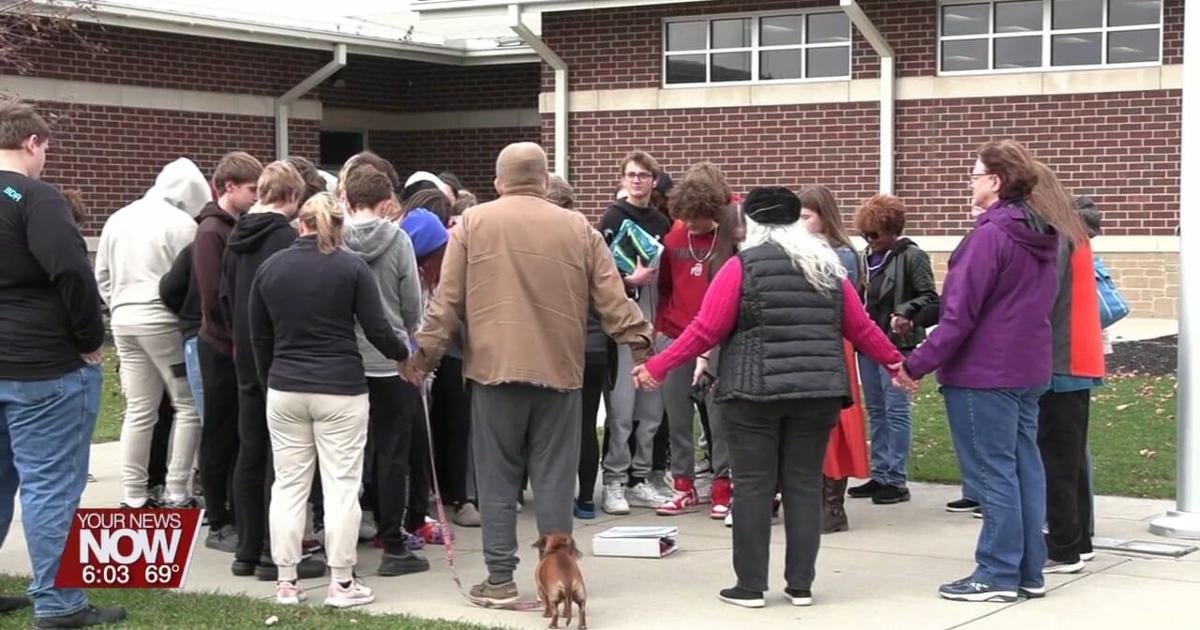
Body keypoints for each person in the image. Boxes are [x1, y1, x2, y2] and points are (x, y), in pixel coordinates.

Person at [403, 142, 654, 606]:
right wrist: (643, 350)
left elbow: (447, 302)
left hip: (494, 373)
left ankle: (499, 579)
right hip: (560, 373)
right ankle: (558, 573)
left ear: (499, 182)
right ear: (542, 182)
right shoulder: (579, 228)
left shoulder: (473, 224)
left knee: (497, 480)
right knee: (555, 478)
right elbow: (614, 301)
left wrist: (423, 359)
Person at [633, 186, 909, 608]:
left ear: (755, 224)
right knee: (802, 486)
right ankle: (800, 586)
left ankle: (750, 586)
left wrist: (657, 366)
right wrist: (896, 364)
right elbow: (862, 327)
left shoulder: (741, 267)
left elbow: (707, 330)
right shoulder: (827, 267)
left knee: (753, 488)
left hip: (753, 394)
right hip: (817, 393)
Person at [900, 139, 1059, 602]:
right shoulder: (1040, 232)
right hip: (1028, 369)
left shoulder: (990, 236)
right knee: (1023, 468)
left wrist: (916, 364)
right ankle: (1028, 570)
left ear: (995, 181)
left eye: (974, 174)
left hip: (984, 373)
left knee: (993, 474)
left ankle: (997, 572)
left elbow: (959, 313)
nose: (968, 182)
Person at [0, 98, 125, 627]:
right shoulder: (35, 198)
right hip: (44, 366)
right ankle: (59, 601)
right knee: (52, 485)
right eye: (45, 147)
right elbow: (73, 273)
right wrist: (89, 338)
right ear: (32, 143)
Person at [250, 192, 408, 607]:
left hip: (285, 385)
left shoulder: (271, 268)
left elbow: (259, 337)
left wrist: (271, 379)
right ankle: (342, 582)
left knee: (288, 487)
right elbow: (377, 328)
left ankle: (286, 582)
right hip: (340, 387)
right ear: (339, 228)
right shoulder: (351, 267)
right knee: (341, 487)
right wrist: (406, 355)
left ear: (299, 224)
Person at [220, 161, 325, 580]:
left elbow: (224, 297)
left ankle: (246, 550)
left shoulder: (235, 237)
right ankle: (272, 552)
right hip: (279, 354)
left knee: (250, 452)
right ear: (294, 198)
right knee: (281, 461)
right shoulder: (284, 238)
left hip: (244, 353)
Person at [95, 158, 209, 510]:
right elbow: (191, 281)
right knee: (187, 405)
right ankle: (177, 490)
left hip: (124, 322)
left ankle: (134, 494)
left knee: (139, 409)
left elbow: (102, 275)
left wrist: (118, 305)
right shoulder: (184, 225)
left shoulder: (119, 217)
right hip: (163, 324)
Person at [341, 164, 433, 574]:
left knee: (344, 455)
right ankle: (392, 542)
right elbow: (412, 304)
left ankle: (339, 537)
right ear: (385, 203)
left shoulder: (333, 238)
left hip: (343, 359)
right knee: (392, 454)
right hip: (391, 359)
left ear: (347, 200)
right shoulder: (398, 240)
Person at [1027, 161, 1103, 575]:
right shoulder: (1074, 232)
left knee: (1056, 459)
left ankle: (1063, 547)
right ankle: (1078, 540)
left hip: (1058, 358)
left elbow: (1043, 298)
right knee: (1070, 459)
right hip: (1077, 357)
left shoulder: (1055, 235)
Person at [844, 194, 940, 508]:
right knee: (877, 410)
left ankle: (896, 479)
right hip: (869, 343)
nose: (870, 241)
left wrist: (905, 312)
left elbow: (929, 296)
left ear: (891, 230)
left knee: (896, 411)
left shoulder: (911, 256)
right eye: (865, 235)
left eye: (875, 235)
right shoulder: (864, 258)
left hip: (899, 344)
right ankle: (881, 472)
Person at [598, 150, 673, 515]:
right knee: (622, 407)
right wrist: (631, 280)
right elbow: (599, 274)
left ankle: (640, 477)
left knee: (652, 407)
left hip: (656, 315)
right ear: (622, 178)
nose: (637, 180)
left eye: (643, 175)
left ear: (654, 180)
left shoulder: (662, 221)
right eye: (631, 174)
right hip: (625, 318)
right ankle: (614, 478)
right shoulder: (612, 218)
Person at [195, 151, 263, 552]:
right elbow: (213, 297)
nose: (256, 197)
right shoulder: (211, 232)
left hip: (236, 346)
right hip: (220, 347)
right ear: (229, 187)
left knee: (237, 433)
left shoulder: (236, 227)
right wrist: (235, 338)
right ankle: (218, 518)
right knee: (219, 433)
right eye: (252, 190)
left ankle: (234, 512)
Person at [653, 163, 728, 516]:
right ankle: (682, 485)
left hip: (717, 338)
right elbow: (666, 286)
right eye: (684, 217)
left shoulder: (731, 237)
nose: (689, 224)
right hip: (676, 335)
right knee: (677, 415)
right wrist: (661, 326)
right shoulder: (674, 238)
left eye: (695, 218)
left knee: (718, 416)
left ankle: (722, 486)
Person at [797, 185, 869, 533]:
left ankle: (830, 504)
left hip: (832, 343)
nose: (801, 222)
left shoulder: (842, 255)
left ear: (824, 217)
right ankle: (814, 500)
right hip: (811, 343)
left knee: (836, 424)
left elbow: (842, 308)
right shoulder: (801, 249)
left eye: (806, 216)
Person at [545, 174, 610, 519]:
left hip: (559, 346)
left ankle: (554, 500)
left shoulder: (547, 241)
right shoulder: (592, 239)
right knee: (586, 423)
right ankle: (586, 498)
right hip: (595, 344)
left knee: (553, 427)